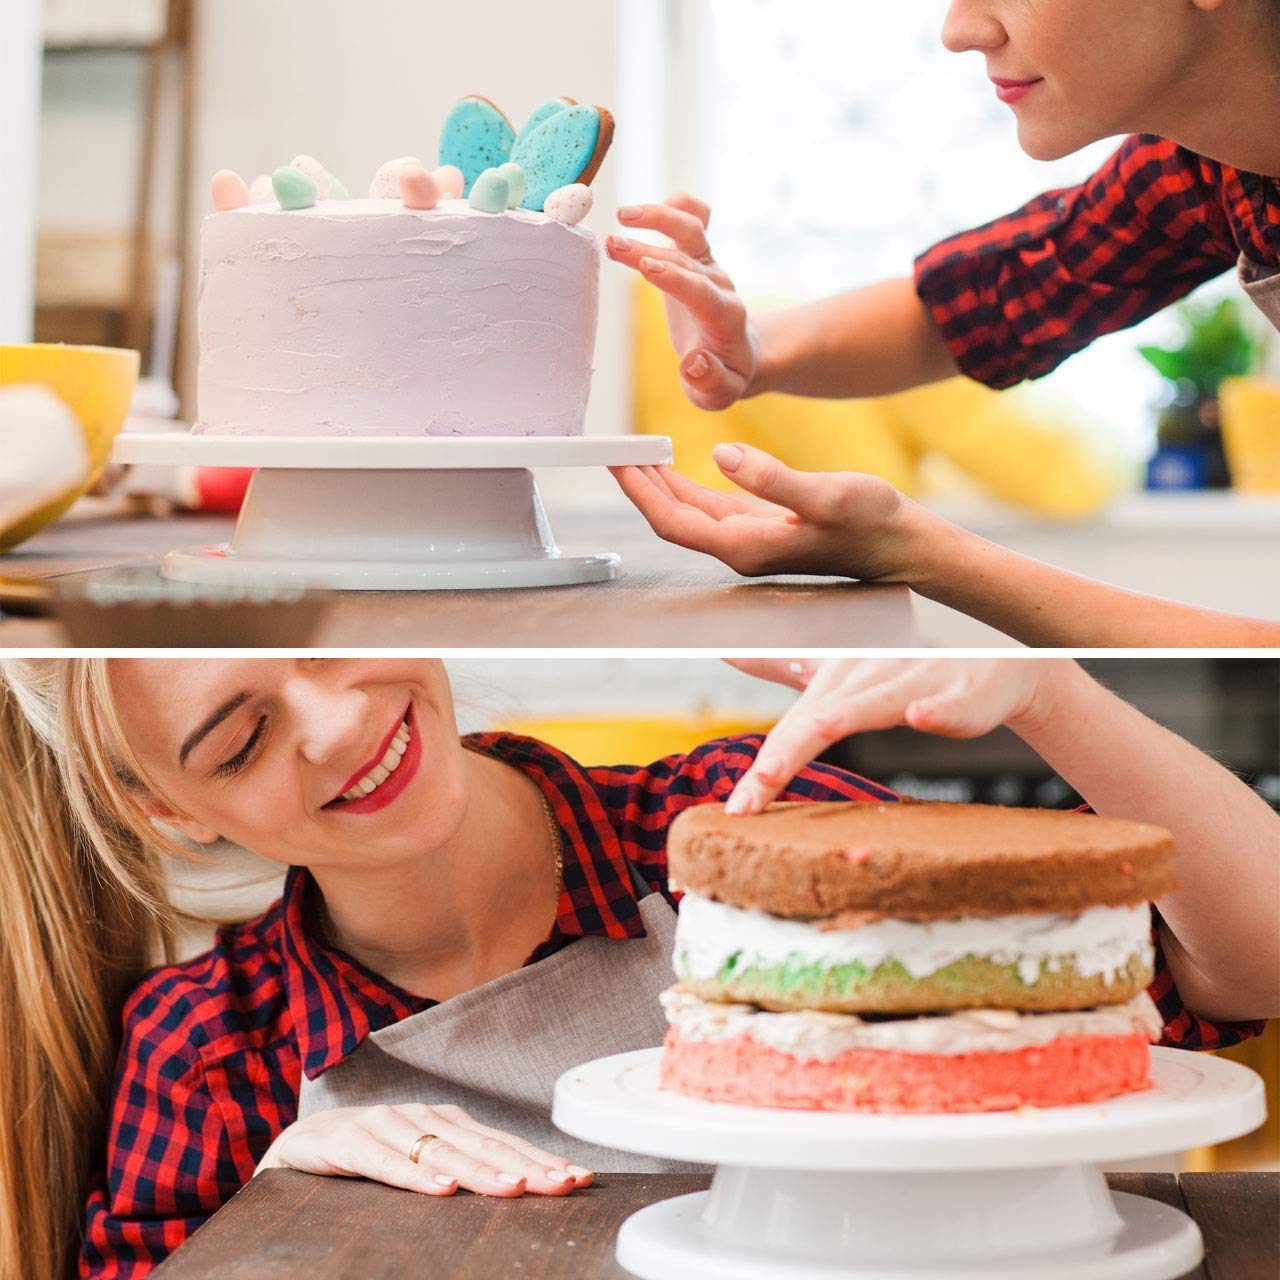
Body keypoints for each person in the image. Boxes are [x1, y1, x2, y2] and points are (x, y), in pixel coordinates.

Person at [0, 657, 1273, 1280]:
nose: (337, 724)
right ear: (168, 810)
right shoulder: (213, 1046)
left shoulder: (744, 824)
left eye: (328, 635)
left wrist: (1045, 691)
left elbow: (1237, 969)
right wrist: (273, 1221)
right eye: (239, 742)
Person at [608, 0, 1280, 647]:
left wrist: (919, 551)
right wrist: (749, 350)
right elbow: (991, 297)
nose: (959, 31)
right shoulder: (1210, 168)